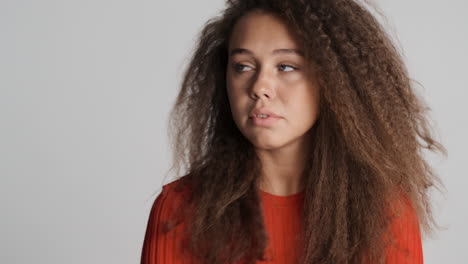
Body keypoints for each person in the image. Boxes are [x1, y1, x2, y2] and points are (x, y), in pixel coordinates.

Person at [141, 0, 447, 263]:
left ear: (333, 82)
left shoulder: (386, 215)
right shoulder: (181, 210)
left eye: (286, 67)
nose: (260, 87)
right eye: (243, 66)